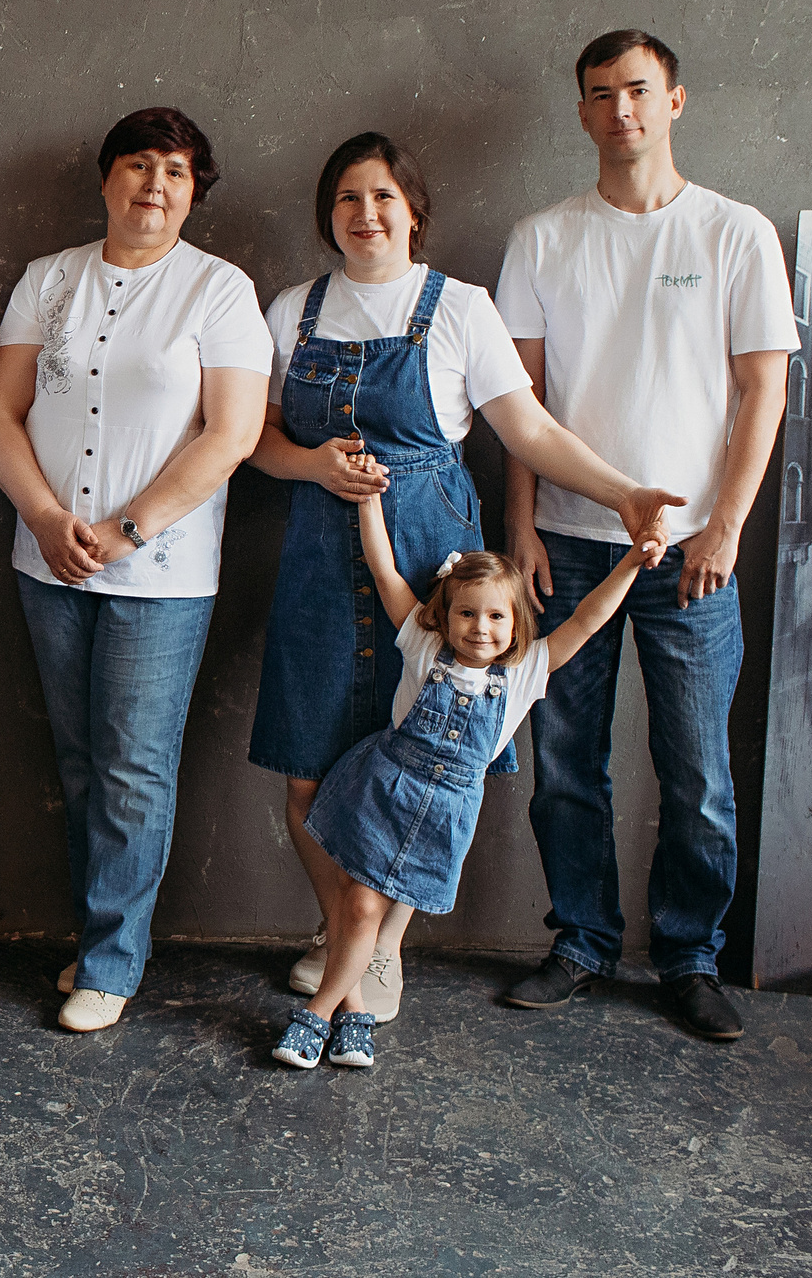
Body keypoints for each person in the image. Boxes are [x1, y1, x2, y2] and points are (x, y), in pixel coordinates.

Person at [249, 133, 679, 1027]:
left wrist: (624, 491)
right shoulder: (293, 308)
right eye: (347, 199)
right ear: (328, 215)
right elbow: (254, 437)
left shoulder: (460, 308)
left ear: (413, 211)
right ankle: (344, 933)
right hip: (321, 558)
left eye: (383, 198)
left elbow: (530, 430)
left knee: (432, 764)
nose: (366, 214)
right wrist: (312, 467)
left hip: (436, 564)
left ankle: (383, 951)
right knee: (307, 769)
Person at [494, 28, 795, 1041]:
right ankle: (580, 939)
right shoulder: (542, 238)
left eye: (635, 89)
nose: (617, 109)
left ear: (674, 100)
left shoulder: (733, 233)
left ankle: (687, 957)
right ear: (579, 112)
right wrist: (522, 528)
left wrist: (728, 531)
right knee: (565, 760)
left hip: (689, 553)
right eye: (597, 93)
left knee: (698, 771)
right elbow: (518, 401)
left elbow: (762, 392)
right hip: (569, 547)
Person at [0, 108, 270, 1033]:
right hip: (49, 560)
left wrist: (129, 526)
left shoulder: (218, 291)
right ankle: (101, 938)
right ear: (106, 179)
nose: (154, 183)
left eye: (176, 171)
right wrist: (48, 517)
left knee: (135, 768)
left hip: (163, 574)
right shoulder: (48, 279)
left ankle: (112, 959)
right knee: (80, 759)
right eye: (138, 165)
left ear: (194, 193)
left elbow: (235, 430)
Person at [273, 504, 661, 1070]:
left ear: (516, 623)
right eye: (467, 614)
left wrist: (629, 563)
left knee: (360, 912)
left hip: (444, 812)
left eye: (496, 617)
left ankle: (333, 1013)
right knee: (356, 907)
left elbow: (587, 620)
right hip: (385, 788)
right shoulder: (424, 646)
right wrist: (368, 502)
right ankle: (332, 1016)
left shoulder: (527, 672)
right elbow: (384, 570)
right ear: (446, 616)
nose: (481, 628)